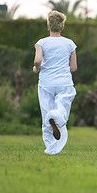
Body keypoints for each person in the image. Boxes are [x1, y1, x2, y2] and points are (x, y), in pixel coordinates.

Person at [33, 10, 77, 155]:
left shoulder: (41, 43)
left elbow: (38, 60)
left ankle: (51, 149)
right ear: (62, 26)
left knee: (46, 113)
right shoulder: (70, 44)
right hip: (64, 82)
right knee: (62, 111)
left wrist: (36, 67)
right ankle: (56, 116)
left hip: (46, 83)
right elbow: (73, 67)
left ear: (48, 25)